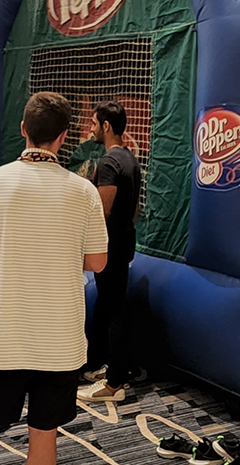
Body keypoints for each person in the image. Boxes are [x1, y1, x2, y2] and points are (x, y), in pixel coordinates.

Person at [0, 92, 107, 465]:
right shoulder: (84, 191)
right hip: (61, 341)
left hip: (7, 338)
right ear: (64, 135)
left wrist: (10, 246)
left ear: (23, 129)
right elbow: (98, 263)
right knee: (44, 435)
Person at [78, 101, 146, 403]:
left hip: (110, 246)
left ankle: (115, 383)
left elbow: (101, 211)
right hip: (124, 242)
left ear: (106, 126)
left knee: (114, 309)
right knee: (112, 307)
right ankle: (117, 368)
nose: (91, 129)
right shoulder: (130, 159)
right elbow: (134, 209)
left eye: (94, 123)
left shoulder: (108, 163)